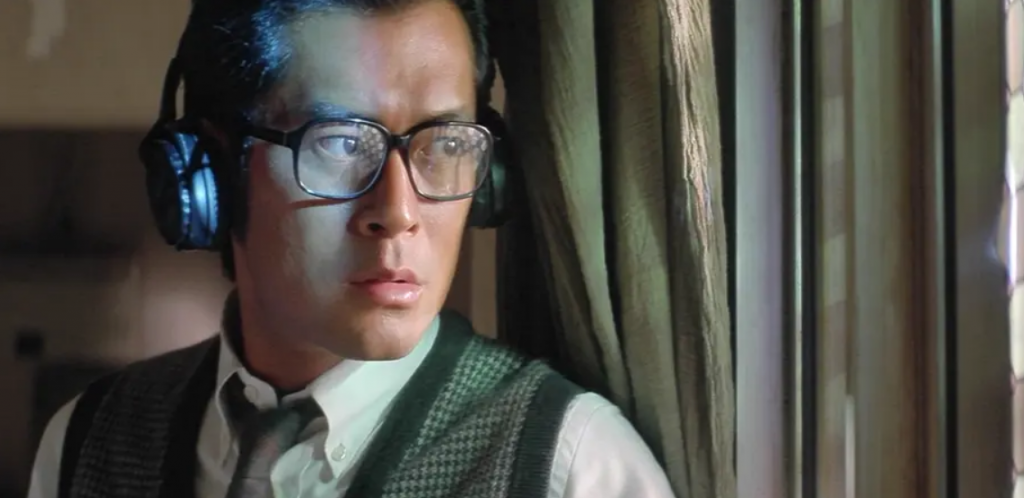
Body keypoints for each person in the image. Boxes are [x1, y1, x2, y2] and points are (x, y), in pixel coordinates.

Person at [27, 0, 676, 497]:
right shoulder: (89, 443)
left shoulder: (572, 466)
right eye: (339, 142)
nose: (398, 213)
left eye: (447, 143)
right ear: (214, 174)